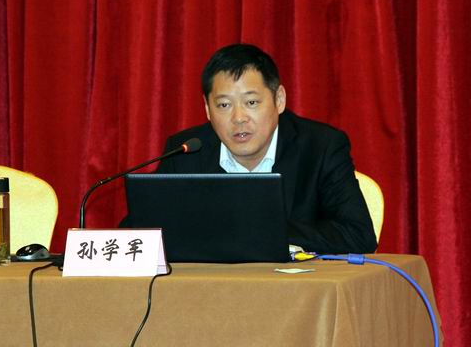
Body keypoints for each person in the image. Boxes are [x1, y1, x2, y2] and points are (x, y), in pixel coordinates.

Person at [125, 44, 377, 254]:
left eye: (252, 102)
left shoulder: (320, 147)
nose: (239, 118)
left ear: (279, 100)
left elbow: (358, 234)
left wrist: (261, 229)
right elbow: (135, 233)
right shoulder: (186, 151)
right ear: (207, 109)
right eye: (224, 105)